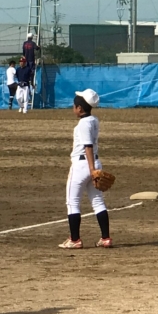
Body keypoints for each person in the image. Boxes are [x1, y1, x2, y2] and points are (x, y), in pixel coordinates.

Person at [59, 90, 112, 249]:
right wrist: (94, 168)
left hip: (83, 165)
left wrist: (92, 170)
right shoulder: (94, 120)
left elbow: (87, 146)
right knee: (98, 201)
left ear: (80, 108)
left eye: (74, 106)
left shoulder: (83, 124)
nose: (73, 108)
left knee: (72, 202)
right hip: (94, 162)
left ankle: (75, 240)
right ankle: (105, 238)